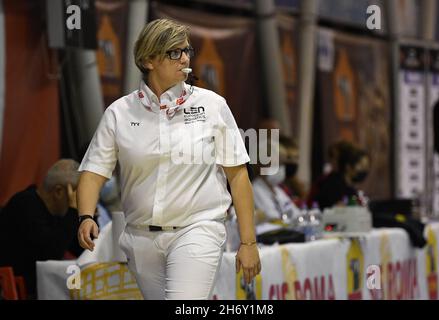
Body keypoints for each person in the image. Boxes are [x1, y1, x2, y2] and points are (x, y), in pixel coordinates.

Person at [77, 18, 260, 300]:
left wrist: (248, 242)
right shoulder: (119, 112)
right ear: (149, 60)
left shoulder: (212, 106)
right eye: (174, 52)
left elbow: (238, 176)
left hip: (197, 229)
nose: (184, 58)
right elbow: (93, 171)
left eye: (186, 50)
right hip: (140, 237)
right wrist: (86, 216)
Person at [0, 159, 82, 299]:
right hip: (18, 291)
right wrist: (74, 211)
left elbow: (84, 249)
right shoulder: (25, 205)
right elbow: (51, 252)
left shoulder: (59, 214)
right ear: (58, 192)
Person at [308, 141, 370, 210]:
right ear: (348, 166)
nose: (364, 170)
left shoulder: (350, 188)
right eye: (361, 166)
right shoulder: (331, 184)